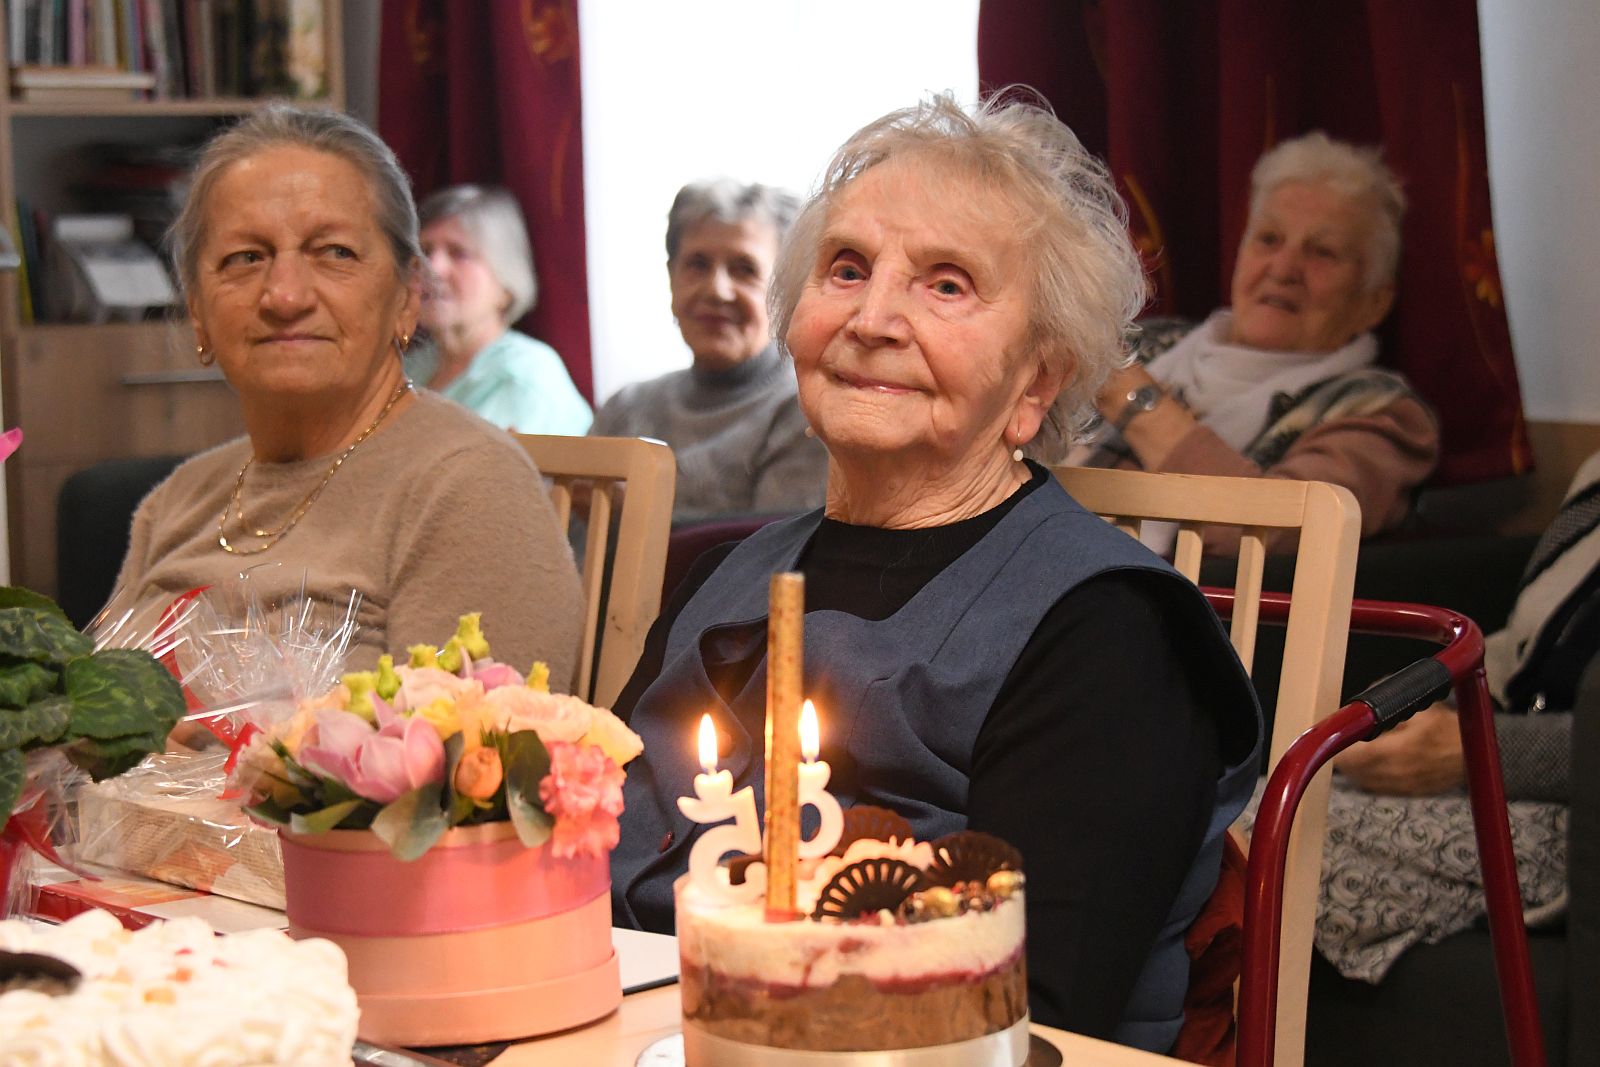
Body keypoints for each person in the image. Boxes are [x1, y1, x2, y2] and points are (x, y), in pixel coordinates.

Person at [608, 96, 1262, 1054]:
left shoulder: (1110, 631)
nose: (874, 319)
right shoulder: (725, 572)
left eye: (946, 286)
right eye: (846, 269)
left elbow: (1030, 1007)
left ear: (1036, 381)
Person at [112, 106, 585, 686]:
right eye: (246, 258)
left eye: (333, 252)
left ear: (408, 297)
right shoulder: (177, 501)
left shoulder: (468, 489)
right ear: (198, 314)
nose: (284, 296)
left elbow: (481, 761)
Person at [1287, 453, 1599, 985]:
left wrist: (1478, 751)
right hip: (1496, 769)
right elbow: (1526, 646)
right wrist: (1420, 709)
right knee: (1230, 801)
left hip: (1572, 827)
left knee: (1267, 841)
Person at [1070, 132, 1439, 553]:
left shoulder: (1382, 416)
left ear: (1375, 302)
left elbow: (1275, 534)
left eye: (1322, 252)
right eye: (1268, 239)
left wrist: (1128, 393)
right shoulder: (1150, 341)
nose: (1284, 269)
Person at [590, 179, 828, 522]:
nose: (717, 290)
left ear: (786, 289)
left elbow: (767, 557)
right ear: (672, 278)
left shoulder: (804, 413)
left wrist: (626, 514)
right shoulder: (624, 409)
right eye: (698, 265)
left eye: (744, 269)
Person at [405, 185, 593, 435]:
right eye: (425, 251)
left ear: (506, 284)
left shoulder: (524, 376)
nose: (433, 268)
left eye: (458, 253)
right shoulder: (410, 369)